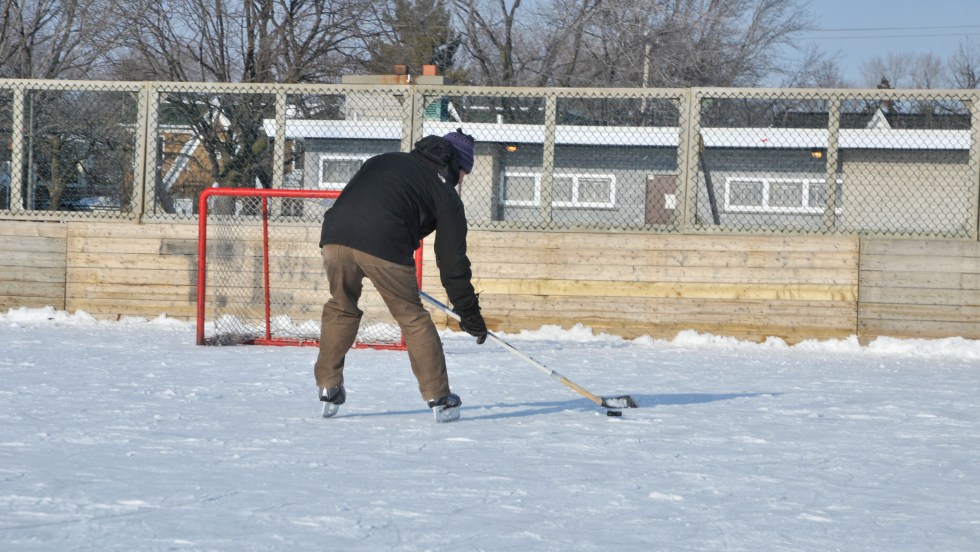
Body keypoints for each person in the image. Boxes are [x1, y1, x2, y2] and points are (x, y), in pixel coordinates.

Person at [313, 128, 488, 423]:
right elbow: (452, 264)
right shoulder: (445, 194)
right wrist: (470, 316)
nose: (461, 181)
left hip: (334, 237)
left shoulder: (384, 159)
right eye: (463, 173)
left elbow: (355, 199)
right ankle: (439, 397)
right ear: (456, 166)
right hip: (385, 244)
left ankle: (328, 386)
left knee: (341, 306)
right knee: (412, 318)